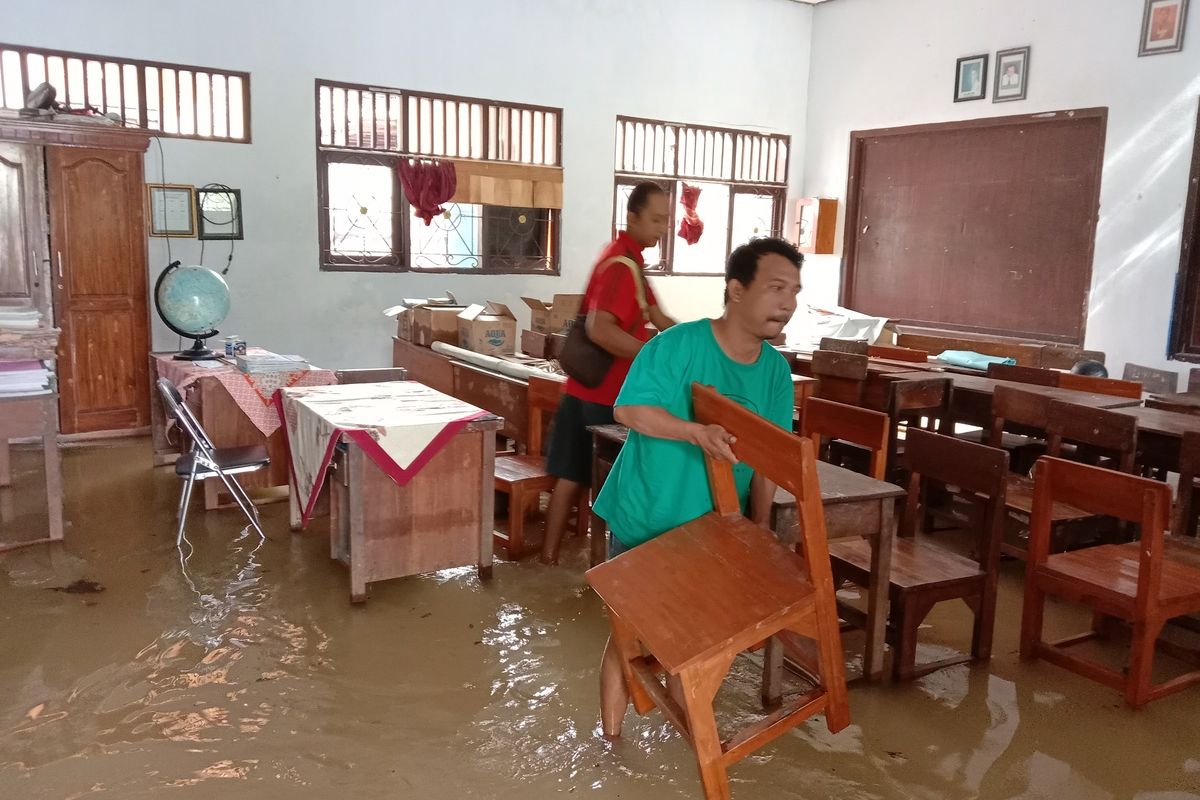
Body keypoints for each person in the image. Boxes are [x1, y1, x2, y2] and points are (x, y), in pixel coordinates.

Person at [592, 236, 802, 738]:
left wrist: (756, 528)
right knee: (632, 637)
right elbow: (629, 410)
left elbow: (769, 457)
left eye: (794, 291)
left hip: (714, 530)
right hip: (649, 515)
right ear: (735, 289)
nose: (787, 303)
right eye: (775, 288)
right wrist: (694, 432)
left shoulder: (775, 371)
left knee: (708, 636)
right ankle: (611, 743)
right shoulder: (678, 345)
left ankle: (686, 732)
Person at [539, 182, 677, 565]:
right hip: (603, 397)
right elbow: (601, 329)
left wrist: (697, 345)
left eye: (666, 220)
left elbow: (660, 318)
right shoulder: (621, 265)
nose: (662, 227)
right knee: (612, 487)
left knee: (570, 477)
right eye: (655, 219)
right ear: (631, 217)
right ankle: (606, 571)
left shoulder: (628, 261)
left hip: (582, 389)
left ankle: (549, 562)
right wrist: (651, 355)